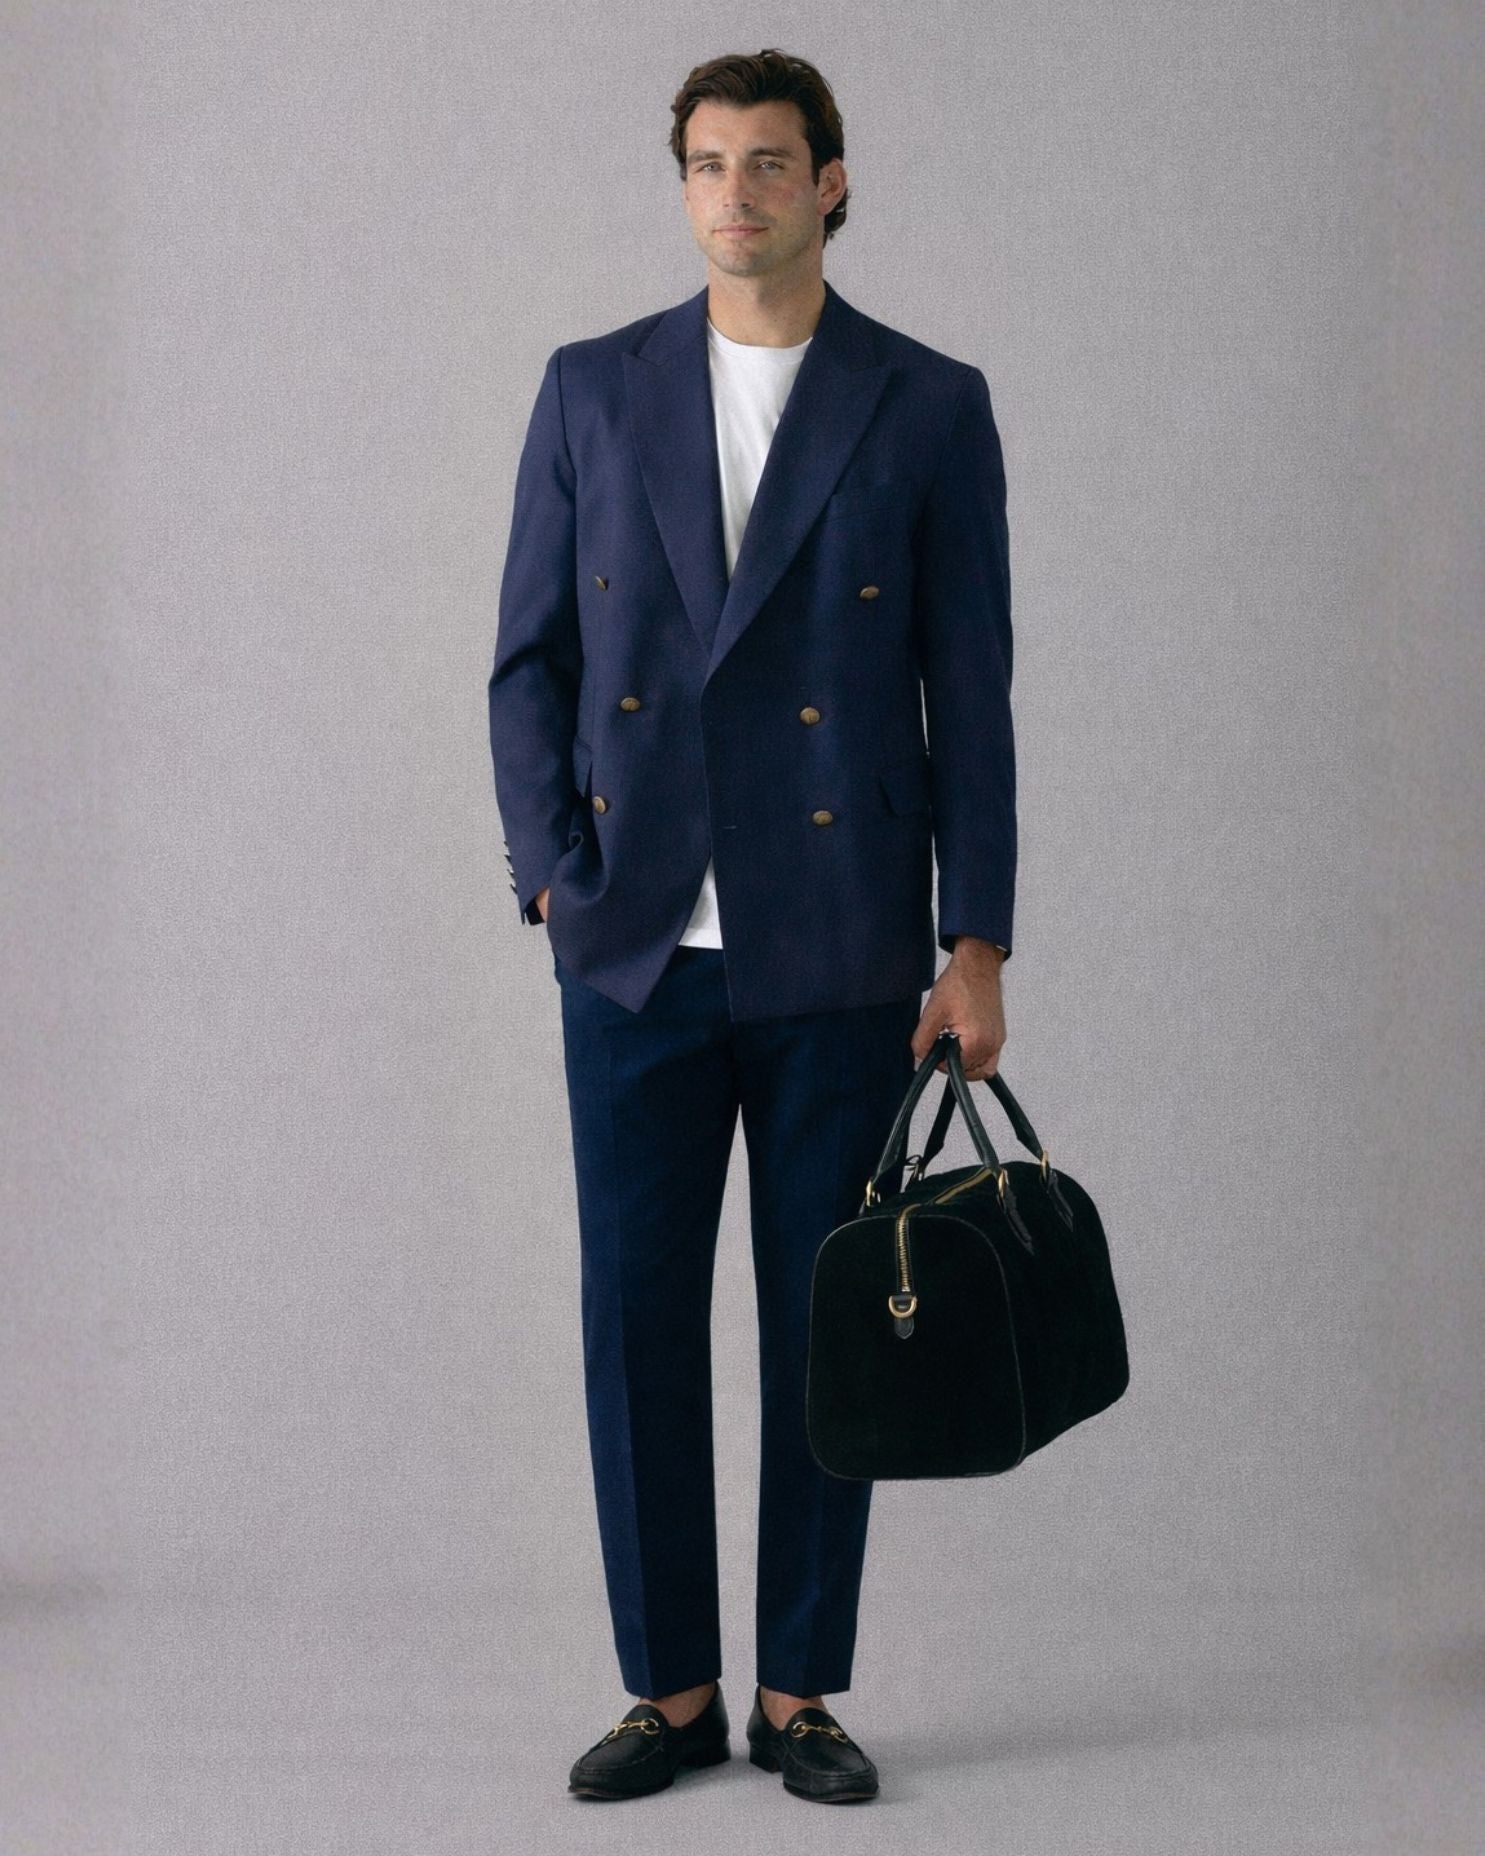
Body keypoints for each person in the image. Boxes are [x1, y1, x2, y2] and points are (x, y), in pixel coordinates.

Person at [487, 47, 1015, 1804]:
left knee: (825, 1323)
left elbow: (969, 697)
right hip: (635, 945)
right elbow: (528, 661)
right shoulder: (593, 387)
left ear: (830, 184)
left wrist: (974, 942)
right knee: (634, 1319)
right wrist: (552, 876)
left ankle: (798, 1695)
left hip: (840, 945)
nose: (735, 193)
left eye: (769, 162)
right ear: (684, 186)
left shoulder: (924, 403)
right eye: (707, 164)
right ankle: (668, 1691)